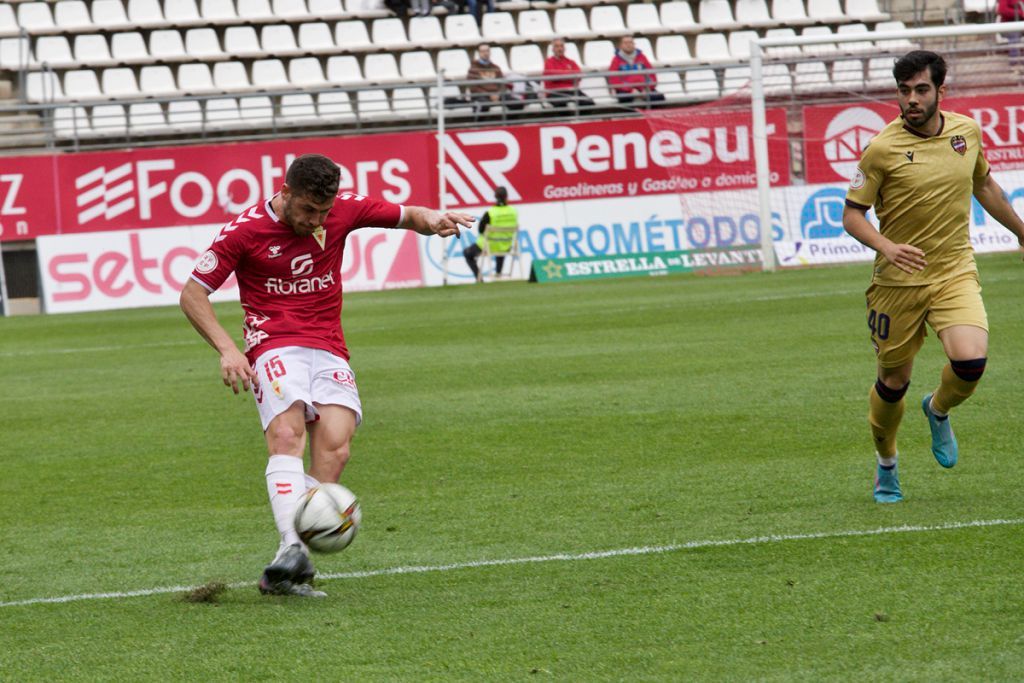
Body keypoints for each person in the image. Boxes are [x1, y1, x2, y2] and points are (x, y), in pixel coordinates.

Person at [180, 154, 473, 595]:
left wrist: (432, 220)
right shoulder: (244, 232)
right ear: (285, 193)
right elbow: (192, 293)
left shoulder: (344, 209)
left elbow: (407, 215)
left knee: (335, 450)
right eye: (307, 210)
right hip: (273, 343)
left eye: (323, 211)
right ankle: (292, 546)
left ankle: (286, 566)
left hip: (329, 347)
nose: (317, 220)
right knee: (286, 435)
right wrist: (227, 350)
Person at [841, 51, 1024, 503]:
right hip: (896, 284)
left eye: (921, 89)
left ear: (942, 91)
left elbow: (985, 186)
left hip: (954, 271)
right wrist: (886, 246)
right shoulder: (881, 148)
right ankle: (887, 465)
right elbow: (852, 215)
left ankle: (937, 409)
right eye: (904, 91)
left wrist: (1022, 232)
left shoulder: (967, 132)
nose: (911, 99)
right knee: (892, 383)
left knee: (970, 362)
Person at [463, 185, 518, 282]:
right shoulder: (513, 212)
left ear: (495, 197)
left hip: (488, 245)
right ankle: (498, 274)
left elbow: (480, 230)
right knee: (501, 246)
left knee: (467, 253)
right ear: (507, 196)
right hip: (506, 245)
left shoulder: (490, 212)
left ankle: (479, 278)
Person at [607, 35, 665, 107]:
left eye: (631, 42)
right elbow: (614, 79)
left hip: (643, 88)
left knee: (659, 97)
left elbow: (652, 75)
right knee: (625, 99)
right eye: (625, 43)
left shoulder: (642, 57)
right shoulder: (616, 60)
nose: (628, 45)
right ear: (621, 45)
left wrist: (647, 88)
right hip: (625, 90)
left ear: (634, 44)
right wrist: (630, 90)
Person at [543, 37, 595, 109]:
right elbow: (552, 77)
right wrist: (570, 75)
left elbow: (579, 76)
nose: (560, 48)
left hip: (572, 91)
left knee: (589, 103)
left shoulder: (571, 62)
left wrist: (561, 76)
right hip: (555, 92)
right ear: (553, 49)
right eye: (557, 46)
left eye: (561, 46)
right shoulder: (548, 62)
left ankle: (580, 119)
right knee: (562, 105)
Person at [467, 43, 506, 116]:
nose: (485, 53)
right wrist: (489, 95)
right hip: (482, 95)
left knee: (515, 103)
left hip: (496, 94)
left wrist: (498, 94)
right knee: (484, 104)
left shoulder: (496, 68)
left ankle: (509, 124)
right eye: (483, 51)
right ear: (479, 53)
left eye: (487, 51)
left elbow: (502, 84)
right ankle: (481, 125)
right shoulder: (473, 69)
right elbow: (473, 88)